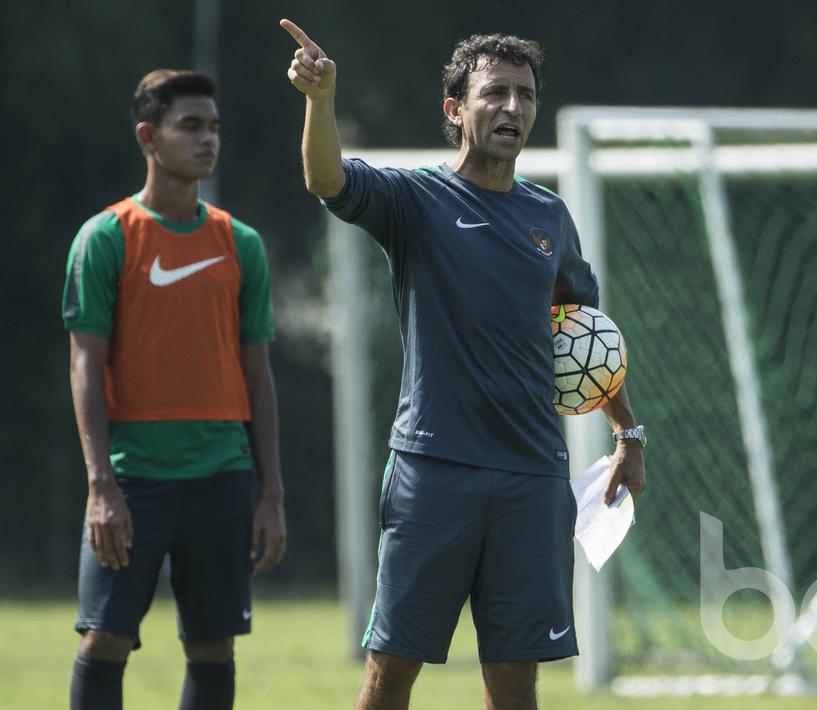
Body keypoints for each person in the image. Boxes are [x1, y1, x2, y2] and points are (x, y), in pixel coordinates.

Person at [279, 18, 647, 710]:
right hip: (434, 473)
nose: (513, 108)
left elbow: (587, 340)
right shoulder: (414, 201)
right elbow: (325, 177)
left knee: (514, 685)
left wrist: (628, 434)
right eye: (496, 93)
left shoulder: (550, 218)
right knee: (390, 674)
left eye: (526, 95)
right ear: (455, 110)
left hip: (532, 479)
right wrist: (320, 101)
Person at [62, 69, 286, 710]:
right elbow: (83, 365)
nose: (207, 139)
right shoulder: (105, 238)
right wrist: (100, 483)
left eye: (213, 126)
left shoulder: (240, 244)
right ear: (148, 137)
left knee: (213, 650)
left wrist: (271, 494)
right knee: (103, 639)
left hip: (222, 475)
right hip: (132, 479)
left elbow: (257, 375)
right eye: (190, 126)